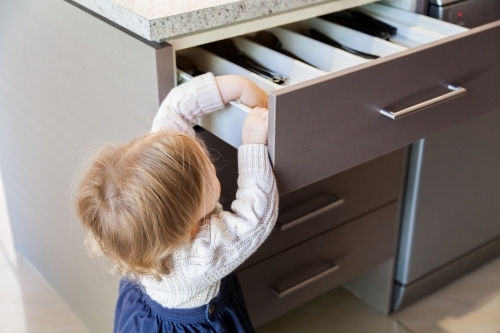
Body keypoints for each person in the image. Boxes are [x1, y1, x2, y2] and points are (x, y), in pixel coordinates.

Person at [75, 73, 279, 333]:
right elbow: (256, 218)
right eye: (208, 173)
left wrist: (238, 85)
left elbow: (176, 108)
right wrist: (253, 146)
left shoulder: (160, 176)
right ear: (189, 226)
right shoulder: (199, 258)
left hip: (142, 310)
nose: (209, 160)